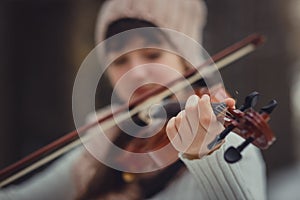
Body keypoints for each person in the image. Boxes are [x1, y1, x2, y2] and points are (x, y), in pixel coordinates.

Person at [0, 0, 267, 199]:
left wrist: (207, 158)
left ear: (186, 61)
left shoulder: (227, 136)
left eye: (152, 55)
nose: (136, 73)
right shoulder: (106, 142)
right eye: (120, 61)